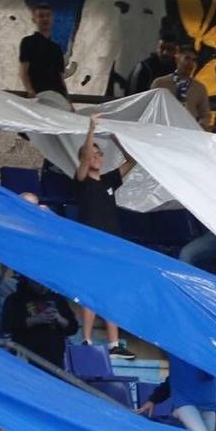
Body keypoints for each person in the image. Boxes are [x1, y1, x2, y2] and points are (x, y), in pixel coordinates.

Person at [70, 115, 134, 358]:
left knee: (111, 293)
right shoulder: (82, 180)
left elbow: (132, 160)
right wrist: (92, 129)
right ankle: (86, 339)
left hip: (112, 245)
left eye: (99, 154)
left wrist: (115, 136)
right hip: (90, 244)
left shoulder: (108, 179)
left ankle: (113, 344)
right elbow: (86, 156)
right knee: (91, 291)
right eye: (92, 154)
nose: (95, 157)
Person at [150, 42, 211, 126]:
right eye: (187, 58)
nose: (190, 63)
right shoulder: (160, 83)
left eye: (193, 60)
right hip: (164, 129)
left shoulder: (199, 88)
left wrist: (200, 126)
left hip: (189, 131)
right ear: (176, 59)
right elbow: (151, 109)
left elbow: (205, 115)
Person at [18, 3, 68, 103]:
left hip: (59, 97)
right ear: (34, 20)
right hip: (40, 95)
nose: (45, 19)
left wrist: (68, 101)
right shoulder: (28, 42)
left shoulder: (56, 49)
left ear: (52, 19)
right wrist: (30, 91)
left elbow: (60, 79)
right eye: (41, 16)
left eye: (48, 15)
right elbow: (23, 71)